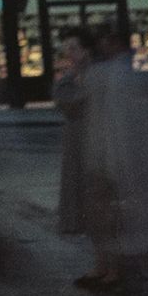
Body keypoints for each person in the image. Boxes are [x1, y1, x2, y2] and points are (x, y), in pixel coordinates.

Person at [78, 25, 148, 296]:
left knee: (136, 225)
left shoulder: (114, 77)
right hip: (146, 165)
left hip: (128, 163)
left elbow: (114, 127)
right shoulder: (137, 76)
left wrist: (111, 164)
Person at [53, 27, 93, 240]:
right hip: (76, 133)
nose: (69, 52)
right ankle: (76, 220)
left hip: (88, 132)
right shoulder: (71, 76)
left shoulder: (89, 74)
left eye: (73, 48)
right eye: (67, 48)